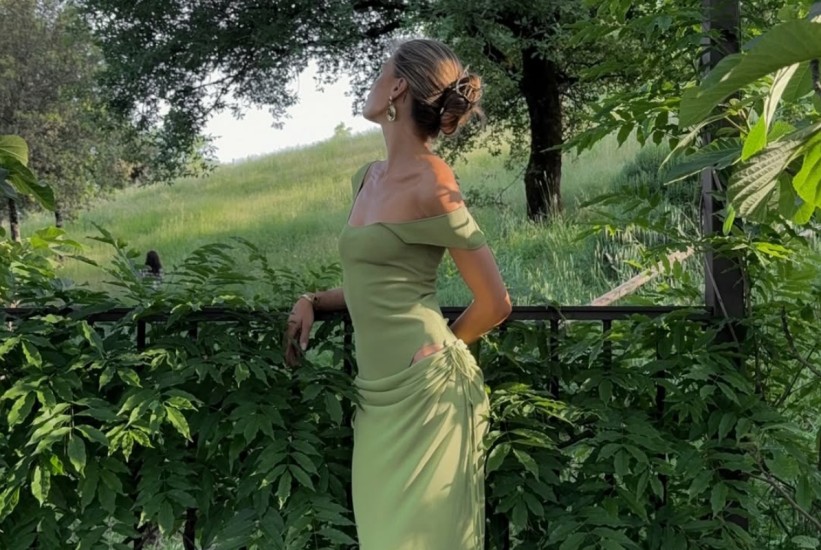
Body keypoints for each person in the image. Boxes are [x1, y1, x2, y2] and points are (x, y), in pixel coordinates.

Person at [285, 38, 511, 550]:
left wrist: (441, 353)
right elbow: (376, 282)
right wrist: (313, 300)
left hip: (426, 395)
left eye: (378, 71)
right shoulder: (366, 178)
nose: (370, 83)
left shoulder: (433, 180)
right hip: (375, 399)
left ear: (397, 88)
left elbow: (495, 302)